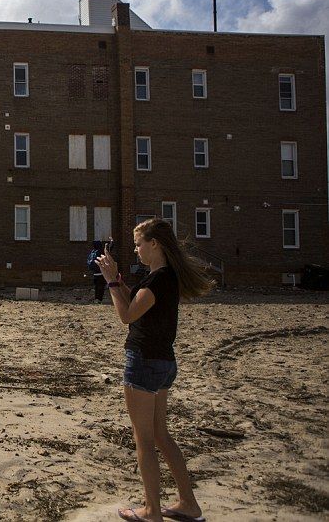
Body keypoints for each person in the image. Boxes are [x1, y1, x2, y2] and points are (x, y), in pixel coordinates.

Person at [94, 218, 214, 522]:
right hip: (163, 363)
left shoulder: (158, 280)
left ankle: (151, 511)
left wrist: (109, 283)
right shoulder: (164, 277)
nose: (136, 250)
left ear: (154, 244)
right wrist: (118, 279)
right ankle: (188, 504)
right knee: (161, 435)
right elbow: (139, 300)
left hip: (144, 363)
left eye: (138, 244)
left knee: (144, 440)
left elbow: (127, 315)